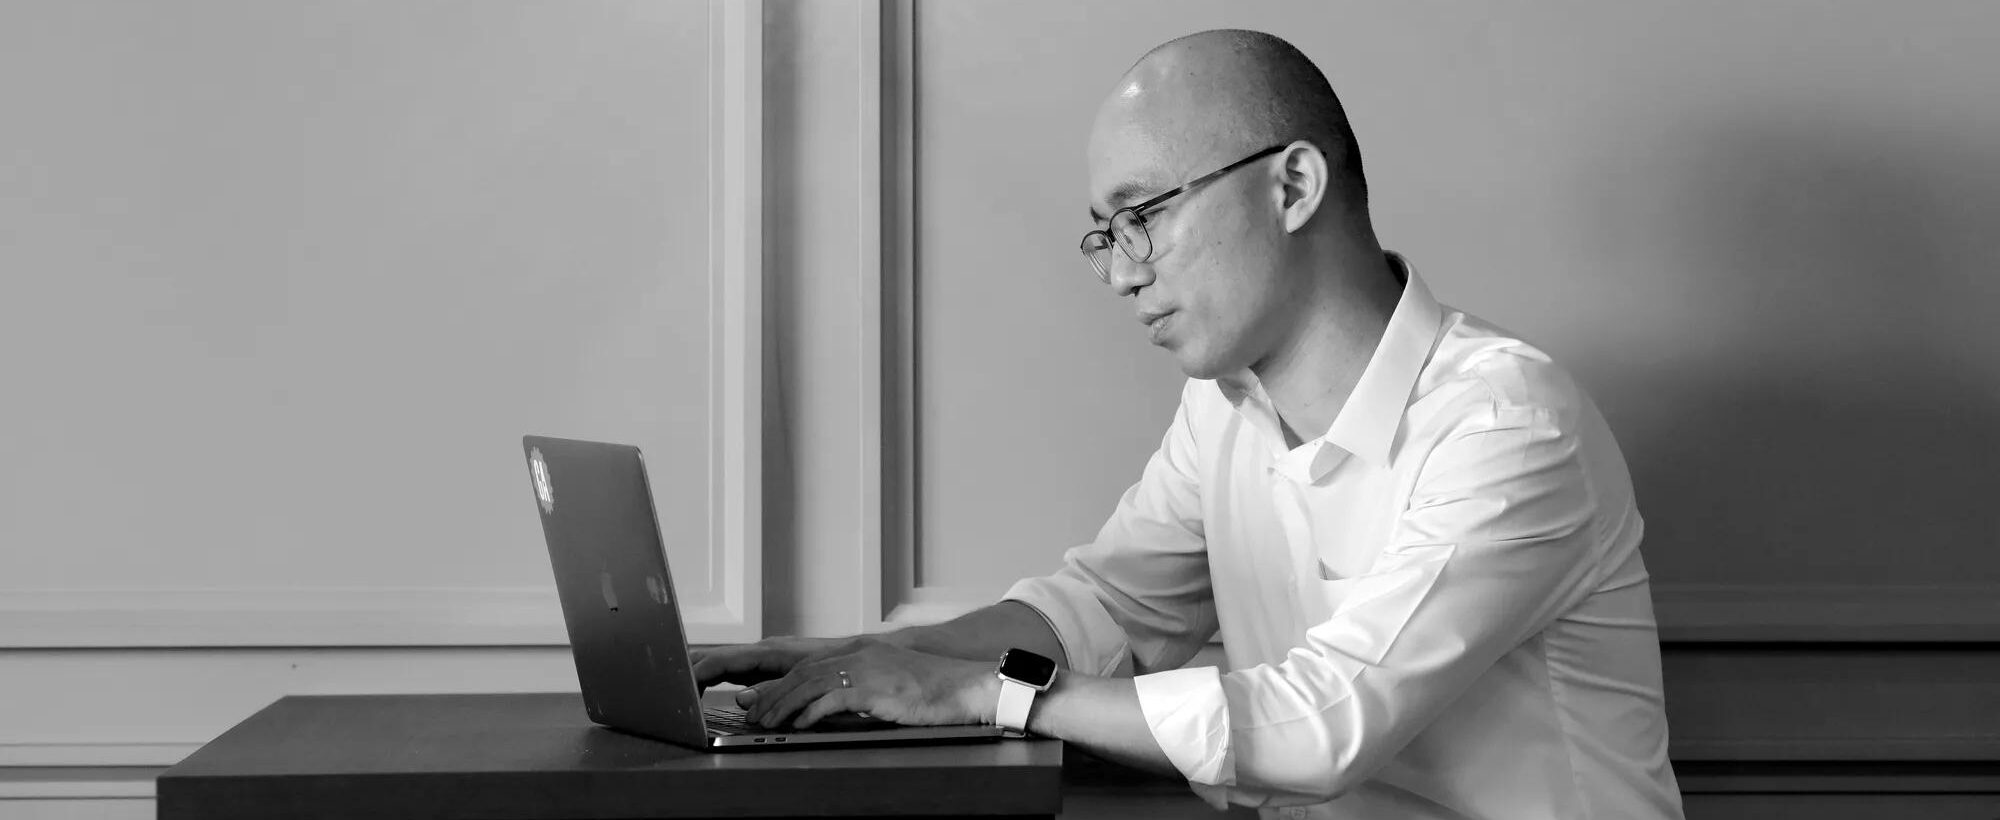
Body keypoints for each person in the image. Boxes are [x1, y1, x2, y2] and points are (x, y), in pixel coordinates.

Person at [693, 28, 1685, 820]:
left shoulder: (1507, 423)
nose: (1123, 274)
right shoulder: (1224, 410)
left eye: (1145, 215)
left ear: (1292, 187)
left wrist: (980, 692)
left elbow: (1325, 722)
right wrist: (856, 661)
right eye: (1106, 234)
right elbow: (1102, 610)